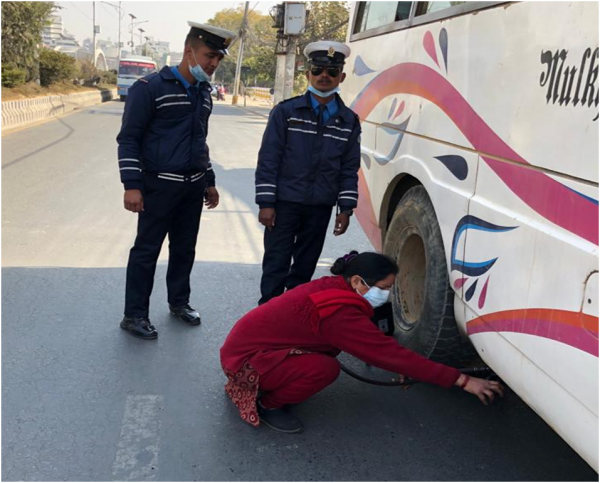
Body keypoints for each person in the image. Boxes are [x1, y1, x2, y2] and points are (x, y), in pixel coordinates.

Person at [220, 252, 505, 433]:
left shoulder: (335, 289)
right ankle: (270, 404)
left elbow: (376, 342)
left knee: (325, 362)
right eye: (383, 288)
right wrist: (463, 381)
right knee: (324, 369)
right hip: (247, 361)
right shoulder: (338, 312)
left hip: (250, 348)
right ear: (357, 281)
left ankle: (279, 382)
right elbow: (384, 351)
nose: (386, 295)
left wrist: (403, 361)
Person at [116, 22, 237, 340]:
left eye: (218, 59)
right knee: (146, 251)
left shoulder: (204, 92)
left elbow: (200, 141)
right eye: (209, 55)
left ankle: (179, 302)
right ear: (189, 52)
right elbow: (129, 139)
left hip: (192, 186)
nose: (213, 64)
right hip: (158, 186)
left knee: (185, 249)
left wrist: (209, 180)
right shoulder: (149, 88)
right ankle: (134, 314)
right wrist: (132, 184)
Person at [255, 41, 362, 305]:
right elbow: (269, 159)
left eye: (332, 71)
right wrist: (266, 203)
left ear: (342, 76)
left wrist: (346, 208)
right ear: (308, 74)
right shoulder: (286, 112)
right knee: (276, 264)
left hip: (320, 206)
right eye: (318, 69)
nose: (324, 76)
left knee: (304, 268)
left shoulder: (348, 120)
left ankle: (292, 318)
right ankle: (267, 316)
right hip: (284, 204)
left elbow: (349, 167)